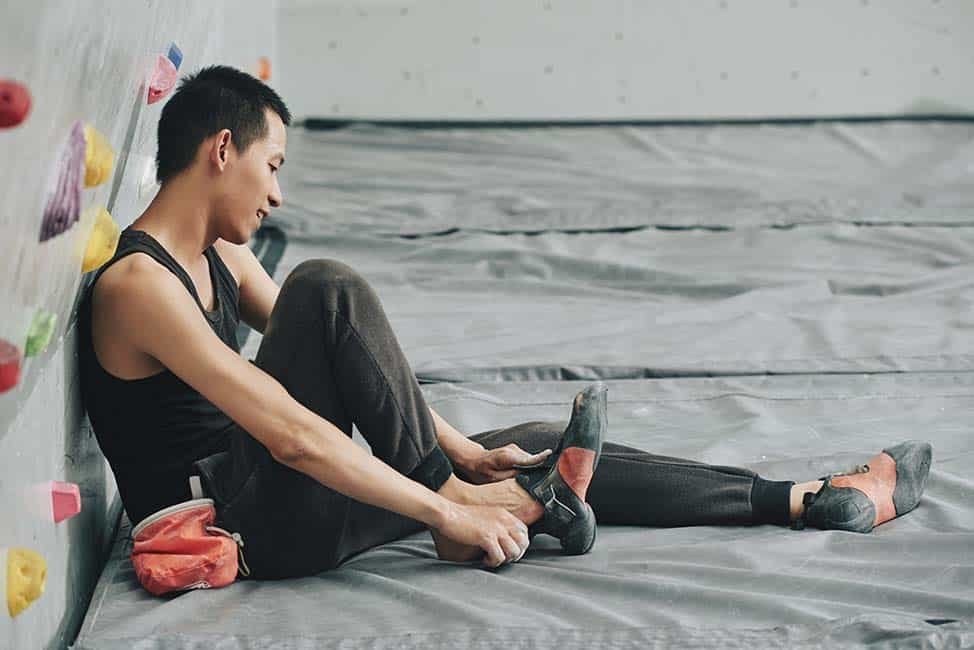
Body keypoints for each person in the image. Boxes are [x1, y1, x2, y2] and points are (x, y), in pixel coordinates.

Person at [78, 66, 932, 580]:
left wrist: (466, 456)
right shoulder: (136, 287)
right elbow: (296, 434)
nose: (276, 194)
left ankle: (804, 500)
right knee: (327, 284)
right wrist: (445, 507)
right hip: (240, 525)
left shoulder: (220, 259)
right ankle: (479, 503)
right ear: (221, 149)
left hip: (269, 492)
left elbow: (360, 370)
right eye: (272, 166)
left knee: (526, 448)